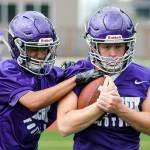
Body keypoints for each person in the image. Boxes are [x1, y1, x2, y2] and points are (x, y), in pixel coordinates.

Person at [0, 11, 104, 150]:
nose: (40, 55)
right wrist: (75, 79)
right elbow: (33, 102)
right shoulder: (6, 71)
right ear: (17, 47)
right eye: (33, 49)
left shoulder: (51, 75)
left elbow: (88, 68)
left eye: (44, 49)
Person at [57, 6, 150, 150]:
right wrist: (100, 106)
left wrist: (120, 109)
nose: (112, 53)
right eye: (106, 46)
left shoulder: (143, 76)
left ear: (128, 46)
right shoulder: (78, 73)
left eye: (118, 46)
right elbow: (64, 125)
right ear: (94, 46)